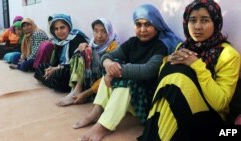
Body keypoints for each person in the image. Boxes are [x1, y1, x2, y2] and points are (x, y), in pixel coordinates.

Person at [74, 4, 182, 141]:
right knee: (110, 71)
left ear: (157, 25)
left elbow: (147, 71)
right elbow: (107, 57)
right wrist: (108, 65)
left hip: (146, 102)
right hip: (130, 101)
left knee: (125, 79)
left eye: (147, 24)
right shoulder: (132, 42)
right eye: (138, 24)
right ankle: (96, 112)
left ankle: (104, 126)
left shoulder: (161, 46)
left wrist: (114, 71)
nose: (142, 29)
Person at [138, 1, 240, 141]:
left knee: (180, 77)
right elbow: (164, 82)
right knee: (174, 74)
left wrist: (197, 65)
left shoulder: (228, 54)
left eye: (205, 20)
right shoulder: (182, 46)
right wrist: (166, 62)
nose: (197, 27)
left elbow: (220, 103)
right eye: (192, 20)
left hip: (211, 119)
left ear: (215, 23)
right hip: (179, 110)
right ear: (186, 23)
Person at [56, 18, 119, 106]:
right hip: (89, 80)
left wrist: (86, 93)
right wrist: (82, 47)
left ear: (109, 32)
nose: (99, 35)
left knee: (86, 51)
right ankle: (74, 90)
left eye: (104, 31)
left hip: (103, 84)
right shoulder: (91, 43)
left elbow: (109, 75)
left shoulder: (114, 47)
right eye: (96, 31)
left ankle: (78, 92)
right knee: (81, 50)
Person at [34, 14, 89, 93]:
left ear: (69, 27)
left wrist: (56, 68)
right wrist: (51, 69)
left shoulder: (76, 38)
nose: (59, 32)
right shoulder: (58, 41)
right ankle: (54, 82)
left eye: (62, 27)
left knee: (60, 75)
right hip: (60, 69)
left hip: (73, 72)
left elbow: (75, 63)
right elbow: (55, 62)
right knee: (40, 68)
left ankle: (54, 83)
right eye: (56, 29)